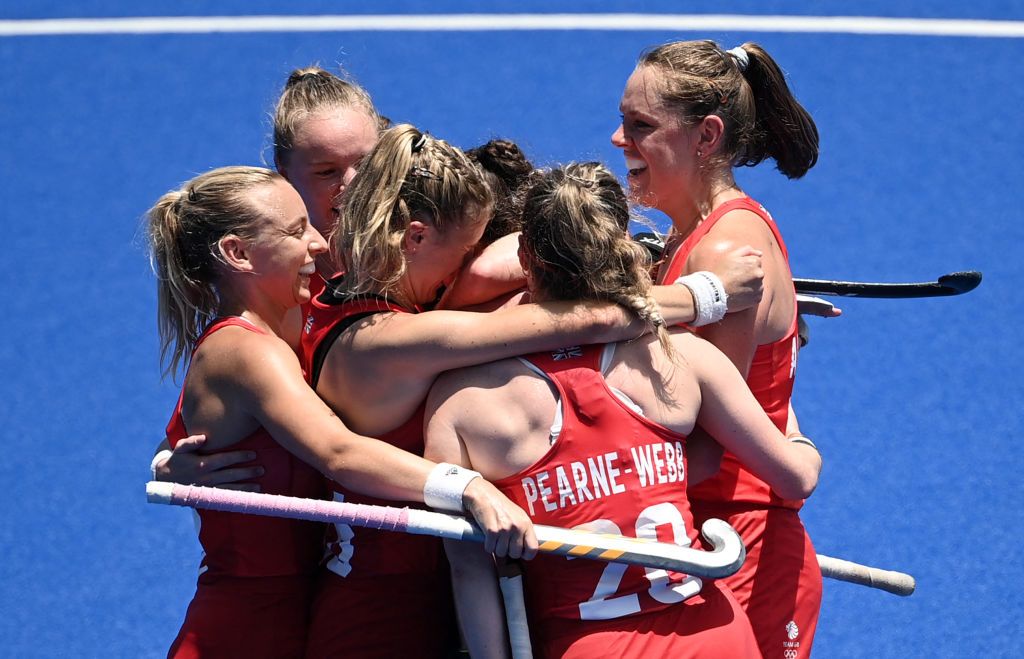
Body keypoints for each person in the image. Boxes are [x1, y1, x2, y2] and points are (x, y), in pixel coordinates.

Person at [298, 124, 767, 658]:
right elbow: (586, 320)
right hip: (384, 619)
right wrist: (707, 294)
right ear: (417, 237)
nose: (466, 274)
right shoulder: (389, 342)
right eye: (464, 252)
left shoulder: (350, 296)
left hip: (436, 594)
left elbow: (503, 271)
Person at [423, 162, 822, 659]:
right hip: (715, 634)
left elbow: (469, 571)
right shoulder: (681, 357)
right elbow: (794, 477)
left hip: (590, 646)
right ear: (621, 245)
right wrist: (792, 425)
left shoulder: (459, 402)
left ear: (525, 256)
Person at [147, 166, 537, 658]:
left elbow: (188, 437)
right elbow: (337, 451)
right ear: (237, 253)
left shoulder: (290, 325)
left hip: (308, 612)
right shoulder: (245, 351)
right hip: (243, 632)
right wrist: (468, 487)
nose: (318, 242)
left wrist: (165, 462)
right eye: (296, 231)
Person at [611, 39, 823, 657]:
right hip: (698, 535)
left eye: (640, 125)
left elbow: (705, 445)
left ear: (705, 136)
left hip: (743, 549)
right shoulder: (694, 238)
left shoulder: (725, 250)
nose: (619, 139)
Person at [152, 65, 384, 487]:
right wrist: (166, 462)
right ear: (284, 172)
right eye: (327, 172)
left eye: (366, 164)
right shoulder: (281, 291)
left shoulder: (428, 241)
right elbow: (208, 418)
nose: (352, 185)